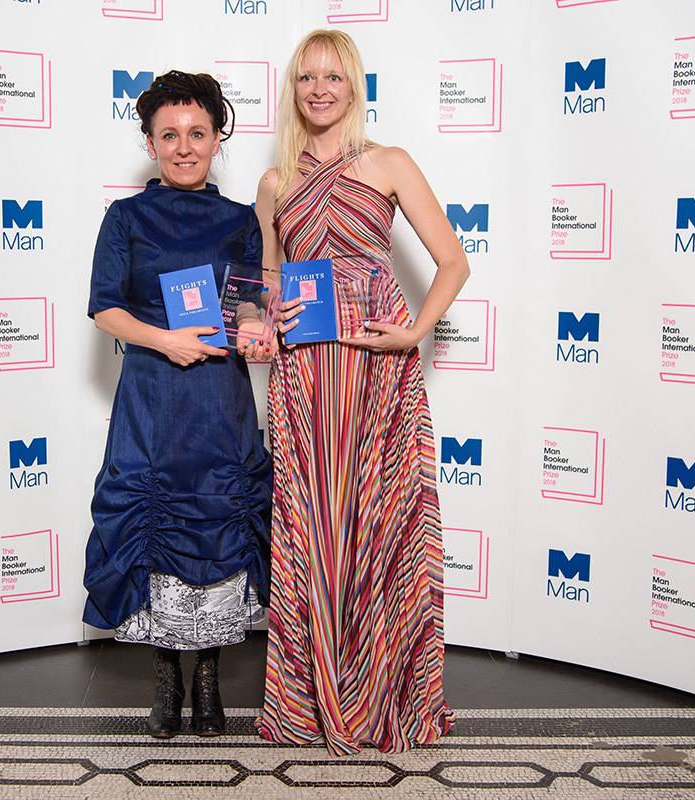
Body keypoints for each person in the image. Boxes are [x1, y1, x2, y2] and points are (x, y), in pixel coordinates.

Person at [253, 30, 470, 756]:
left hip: (376, 369)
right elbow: (272, 282)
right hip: (305, 372)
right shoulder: (275, 183)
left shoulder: (389, 163)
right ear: (294, 89)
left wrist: (415, 331)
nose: (318, 89)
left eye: (332, 77)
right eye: (306, 78)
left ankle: (379, 691)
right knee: (311, 525)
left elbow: (451, 263)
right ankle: (308, 700)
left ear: (353, 85)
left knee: (376, 520)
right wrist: (265, 312)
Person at [83, 70, 273, 739]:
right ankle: (166, 677)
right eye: (170, 135)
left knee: (217, 521)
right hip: (153, 398)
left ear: (217, 137)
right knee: (159, 525)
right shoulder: (125, 217)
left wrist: (253, 325)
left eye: (198, 133)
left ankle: (211, 676)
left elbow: (250, 301)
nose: (184, 146)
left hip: (220, 399)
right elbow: (104, 308)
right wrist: (165, 340)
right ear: (150, 140)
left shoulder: (238, 220)